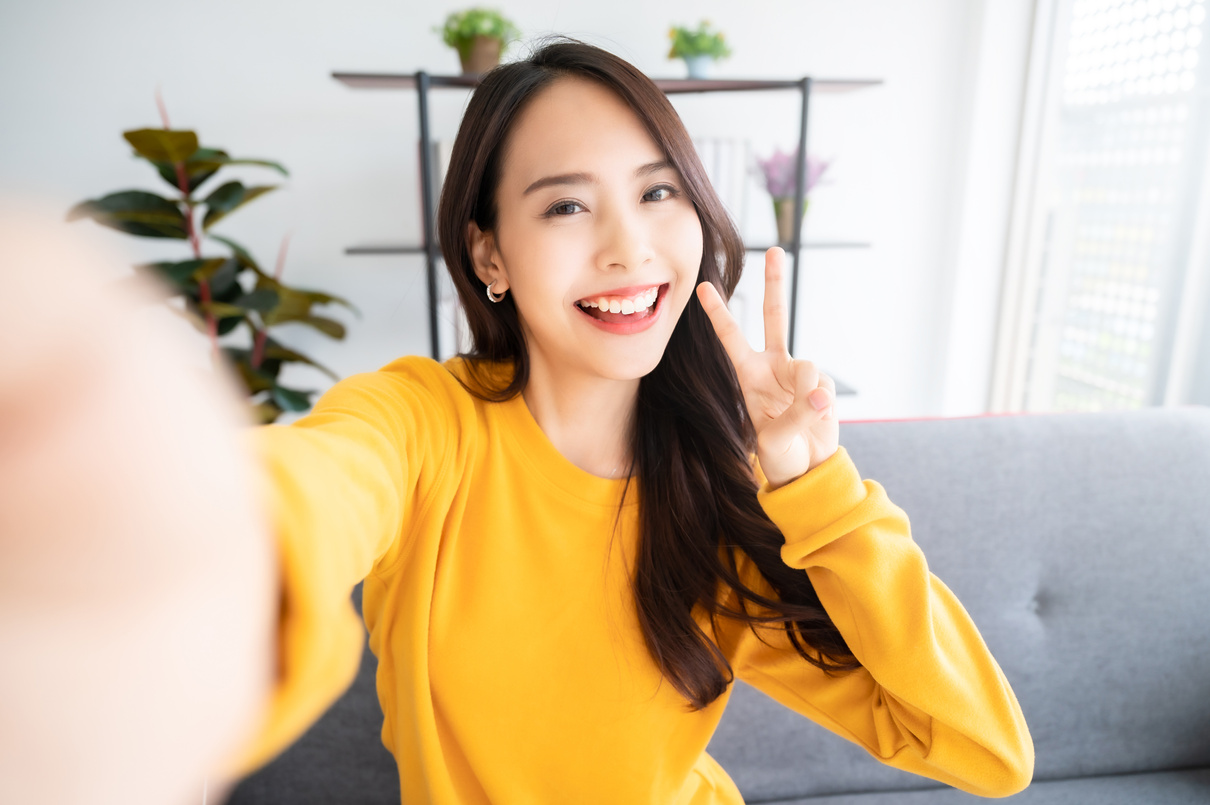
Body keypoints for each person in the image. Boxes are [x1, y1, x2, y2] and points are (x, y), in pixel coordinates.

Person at [0, 38, 1033, 805]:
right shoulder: (419, 426)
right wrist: (152, 537)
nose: (630, 248)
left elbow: (983, 747)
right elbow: (303, 495)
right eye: (566, 206)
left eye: (657, 191)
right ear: (488, 254)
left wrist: (823, 489)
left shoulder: (717, 497)